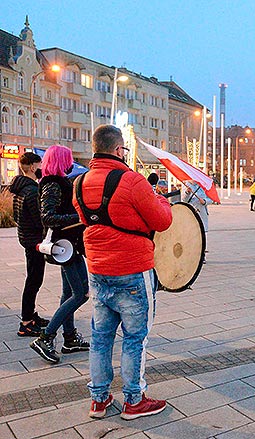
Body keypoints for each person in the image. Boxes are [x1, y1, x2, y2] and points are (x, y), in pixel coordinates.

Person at [73, 125, 172, 420]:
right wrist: (162, 200)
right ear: (118, 150)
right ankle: (134, 399)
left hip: (99, 269)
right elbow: (162, 220)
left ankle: (99, 399)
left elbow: (88, 221)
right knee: (135, 337)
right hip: (132, 270)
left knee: (101, 336)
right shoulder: (131, 180)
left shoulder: (79, 182)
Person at [30, 145, 89, 364]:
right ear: (61, 160)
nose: (71, 162)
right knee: (81, 293)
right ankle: (46, 337)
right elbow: (48, 217)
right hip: (64, 247)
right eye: (69, 158)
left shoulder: (58, 183)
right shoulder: (52, 184)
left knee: (68, 293)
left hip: (70, 245)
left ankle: (70, 338)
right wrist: (79, 217)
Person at [9, 152, 50, 337]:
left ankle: (31, 315)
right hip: (34, 241)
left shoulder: (20, 188)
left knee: (33, 278)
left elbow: (18, 216)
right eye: (40, 164)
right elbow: (38, 220)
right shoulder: (32, 190)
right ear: (33, 167)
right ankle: (25, 322)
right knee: (34, 280)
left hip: (25, 238)